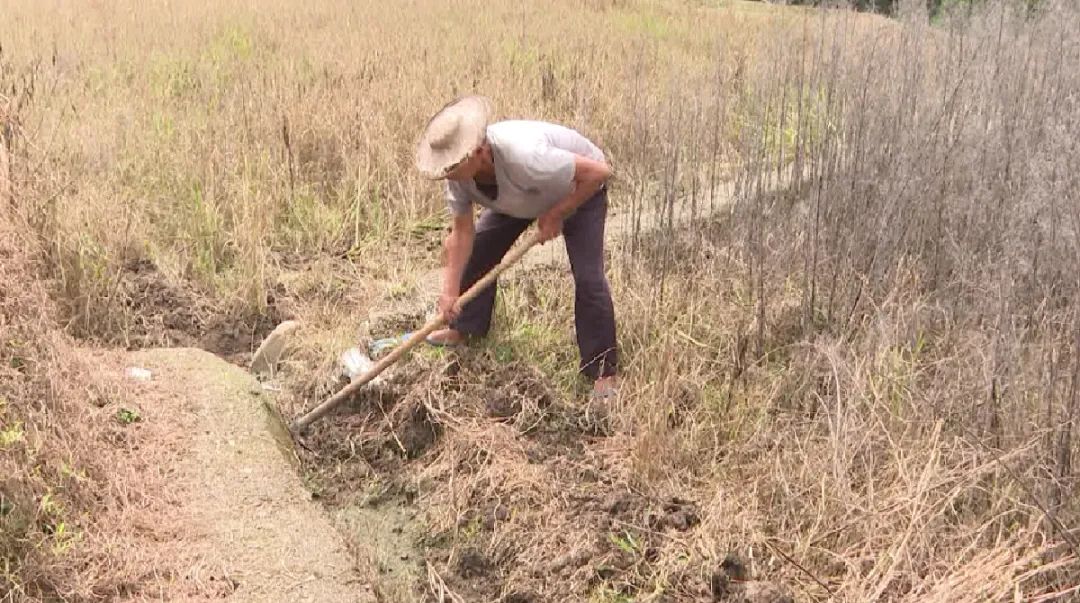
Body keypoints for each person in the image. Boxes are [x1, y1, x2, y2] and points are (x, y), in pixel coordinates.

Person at [414, 95, 618, 399]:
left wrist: (559, 212)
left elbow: (601, 172)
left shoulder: (526, 156)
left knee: (589, 278)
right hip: (521, 197)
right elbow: (461, 233)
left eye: (453, 166)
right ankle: (465, 327)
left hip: (578, 191)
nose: (448, 174)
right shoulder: (458, 175)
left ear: (479, 152)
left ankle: (602, 372)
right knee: (480, 249)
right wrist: (449, 291)